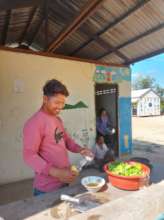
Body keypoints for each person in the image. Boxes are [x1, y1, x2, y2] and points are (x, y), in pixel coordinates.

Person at [23, 79, 93, 196]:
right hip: (46, 188)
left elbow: (66, 140)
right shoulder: (34, 123)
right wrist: (57, 172)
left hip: (64, 182)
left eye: (62, 103)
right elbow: (29, 155)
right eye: (57, 103)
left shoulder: (57, 119)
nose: (60, 107)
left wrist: (81, 150)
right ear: (45, 99)